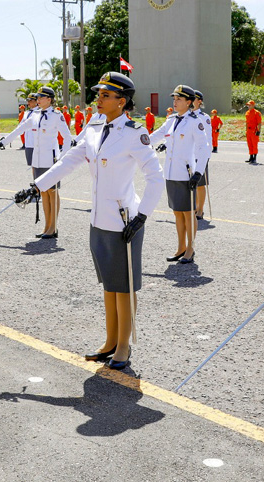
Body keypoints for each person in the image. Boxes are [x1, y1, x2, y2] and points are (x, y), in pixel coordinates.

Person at [15, 72, 163, 370]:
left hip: (124, 220)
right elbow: (69, 159)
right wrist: (37, 186)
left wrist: (142, 215)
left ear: (121, 102)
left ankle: (123, 346)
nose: (99, 98)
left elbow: (155, 177)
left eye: (106, 95)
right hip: (99, 219)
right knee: (109, 285)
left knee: (124, 287)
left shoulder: (134, 133)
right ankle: (110, 341)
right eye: (100, 93)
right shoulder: (94, 128)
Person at [0, 86, 72, 238]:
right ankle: (47, 226)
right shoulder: (35, 115)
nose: (38, 100)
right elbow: (19, 129)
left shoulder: (56, 115)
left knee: (52, 193)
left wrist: (62, 158)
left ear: (49, 99)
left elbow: (67, 138)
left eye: (41, 97)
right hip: (37, 160)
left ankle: (53, 228)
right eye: (38, 97)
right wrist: (3, 142)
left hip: (51, 160)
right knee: (43, 193)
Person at [150, 84, 211, 263]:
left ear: (189, 102)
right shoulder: (171, 119)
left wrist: (198, 173)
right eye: (174, 99)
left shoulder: (195, 122)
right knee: (177, 212)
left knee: (188, 213)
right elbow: (156, 135)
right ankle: (180, 247)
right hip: (171, 173)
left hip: (187, 175)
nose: (175, 102)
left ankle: (190, 249)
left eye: (179, 99)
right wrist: (137, 141)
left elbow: (204, 149)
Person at [191, 90, 213, 220]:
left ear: (199, 101)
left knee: (200, 184)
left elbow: (208, 139)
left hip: (200, 155)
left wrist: (206, 156)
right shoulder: (186, 116)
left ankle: (200, 210)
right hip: (188, 155)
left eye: (194, 99)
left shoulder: (204, 117)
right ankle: (193, 208)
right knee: (189, 184)